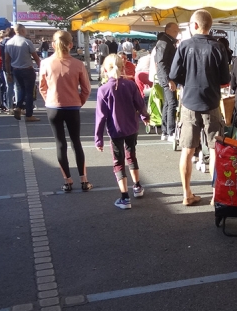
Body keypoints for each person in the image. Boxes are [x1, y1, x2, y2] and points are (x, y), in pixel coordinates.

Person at [168, 10, 229, 206]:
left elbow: (174, 75)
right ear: (209, 26)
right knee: (214, 150)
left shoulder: (184, 46)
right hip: (211, 103)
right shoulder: (218, 47)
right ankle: (215, 195)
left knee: (187, 150)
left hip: (189, 104)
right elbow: (225, 80)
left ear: (195, 25)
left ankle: (187, 194)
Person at [38, 30, 93, 192]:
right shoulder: (78, 64)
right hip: (72, 107)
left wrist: (49, 99)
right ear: (71, 45)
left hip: (53, 107)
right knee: (76, 142)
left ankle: (67, 181)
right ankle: (84, 180)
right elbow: (86, 89)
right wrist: (79, 101)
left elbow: (42, 86)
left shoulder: (46, 63)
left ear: (53, 44)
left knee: (60, 143)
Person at [95, 54, 149, 210]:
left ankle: (124, 197)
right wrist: (145, 116)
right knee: (131, 155)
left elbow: (101, 117)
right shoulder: (131, 85)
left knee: (118, 161)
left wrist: (98, 139)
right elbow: (140, 104)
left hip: (115, 130)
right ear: (123, 67)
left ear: (105, 70)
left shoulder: (103, 90)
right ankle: (137, 186)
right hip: (132, 127)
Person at [5, 24, 41, 122]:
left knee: (21, 89)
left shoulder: (9, 43)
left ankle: (18, 107)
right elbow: (36, 57)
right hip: (27, 69)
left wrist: (9, 73)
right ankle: (29, 115)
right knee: (29, 92)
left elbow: (7, 60)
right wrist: (41, 67)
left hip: (16, 69)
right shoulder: (26, 42)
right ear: (22, 31)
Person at [154, 22, 180, 141]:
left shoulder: (167, 42)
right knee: (172, 103)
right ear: (168, 30)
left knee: (168, 103)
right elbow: (161, 62)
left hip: (166, 76)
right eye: (175, 31)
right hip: (167, 77)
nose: (177, 32)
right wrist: (168, 79)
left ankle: (165, 131)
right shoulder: (164, 42)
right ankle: (170, 131)